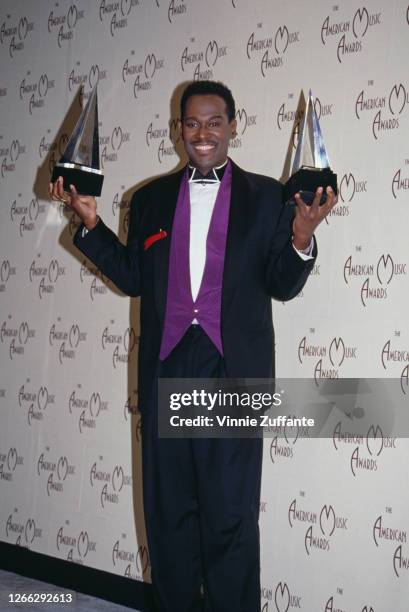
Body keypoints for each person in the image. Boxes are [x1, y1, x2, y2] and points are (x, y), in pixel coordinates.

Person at [49, 80, 337, 612]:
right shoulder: (150, 199)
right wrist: (90, 223)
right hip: (168, 371)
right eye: (192, 123)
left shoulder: (269, 199)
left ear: (231, 125)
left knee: (230, 518)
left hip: (233, 372)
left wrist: (300, 236)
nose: (202, 133)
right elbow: (134, 276)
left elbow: (282, 282)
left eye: (214, 122)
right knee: (170, 518)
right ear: (179, 129)